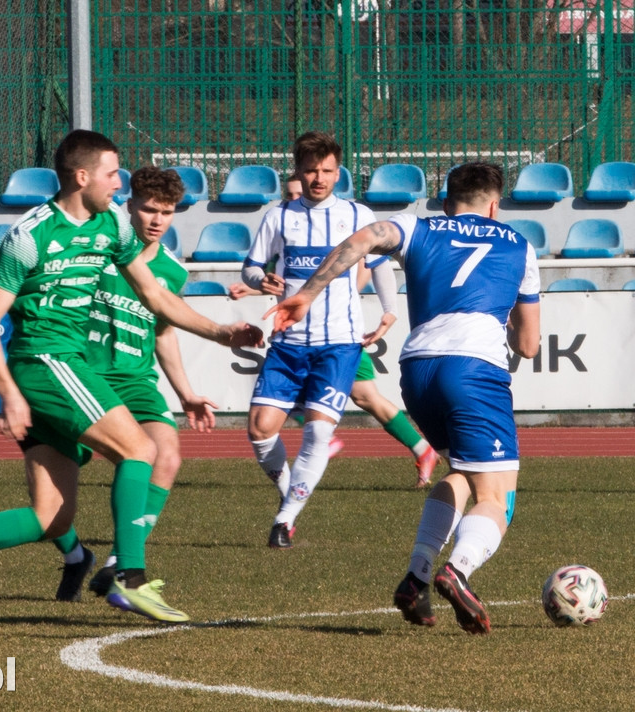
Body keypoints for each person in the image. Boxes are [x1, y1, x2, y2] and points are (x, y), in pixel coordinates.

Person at [0, 130, 262, 626]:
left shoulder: (112, 224)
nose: (119, 182)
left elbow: (157, 298)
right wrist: (9, 395)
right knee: (141, 450)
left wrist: (222, 331)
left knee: (52, 517)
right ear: (82, 176)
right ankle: (129, 577)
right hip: (46, 361)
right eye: (112, 173)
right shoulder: (30, 235)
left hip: (65, 367)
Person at [266, 162, 541, 634]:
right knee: (497, 497)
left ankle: (416, 577)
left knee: (461, 473)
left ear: (444, 199)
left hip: (417, 370)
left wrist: (308, 293)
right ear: (495, 205)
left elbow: (361, 240)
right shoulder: (520, 244)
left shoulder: (417, 225)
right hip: (475, 368)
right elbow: (529, 345)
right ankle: (458, 571)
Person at [43, 166, 220, 599]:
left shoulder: (172, 273)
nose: (157, 220)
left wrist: (186, 393)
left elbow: (162, 331)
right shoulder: (97, 251)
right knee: (53, 511)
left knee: (167, 454)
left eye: (168, 212)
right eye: (149, 209)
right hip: (82, 379)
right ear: (130, 204)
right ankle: (74, 556)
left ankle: (121, 562)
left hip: (137, 382)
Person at [242, 131, 384, 548]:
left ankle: (284, 520)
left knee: (317, 433)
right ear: (298, 172)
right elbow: (250, 270)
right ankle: (291, 494)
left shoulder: (359, 215)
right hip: (288, 343)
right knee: (259, 429)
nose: (318, 178)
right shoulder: (278, 216)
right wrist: (261, 279)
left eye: (326, 171)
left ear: (338, 172)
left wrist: (389, 312)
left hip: (337, 343)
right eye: (310, 170)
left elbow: (378, 266)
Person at [229, 261, 438, 487]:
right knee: (363, 397)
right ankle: (421, 449)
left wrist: (381, 306)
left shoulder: (349, 237)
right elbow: (299, 284)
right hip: (314, 337)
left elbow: (371, 264)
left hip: (337, 338)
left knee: (361, 396)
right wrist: (252, 288)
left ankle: (325, 439)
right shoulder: (311, 244)